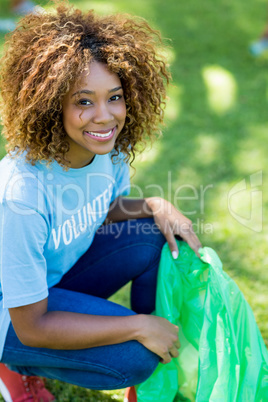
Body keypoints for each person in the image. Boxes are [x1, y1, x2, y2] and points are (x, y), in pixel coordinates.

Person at [0, 2, 201, 401]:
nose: (105, 117)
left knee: (152, 236)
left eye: (114, 97)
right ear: (51, 104)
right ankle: (12, 367)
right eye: (84, 101)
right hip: (14, 318)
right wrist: (137, 326)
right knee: (133, 356)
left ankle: (148, 381)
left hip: (54, 282)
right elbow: (32, 325)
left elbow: (100, 212)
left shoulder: (103, 151)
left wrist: (154, 205)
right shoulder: (21, 194)